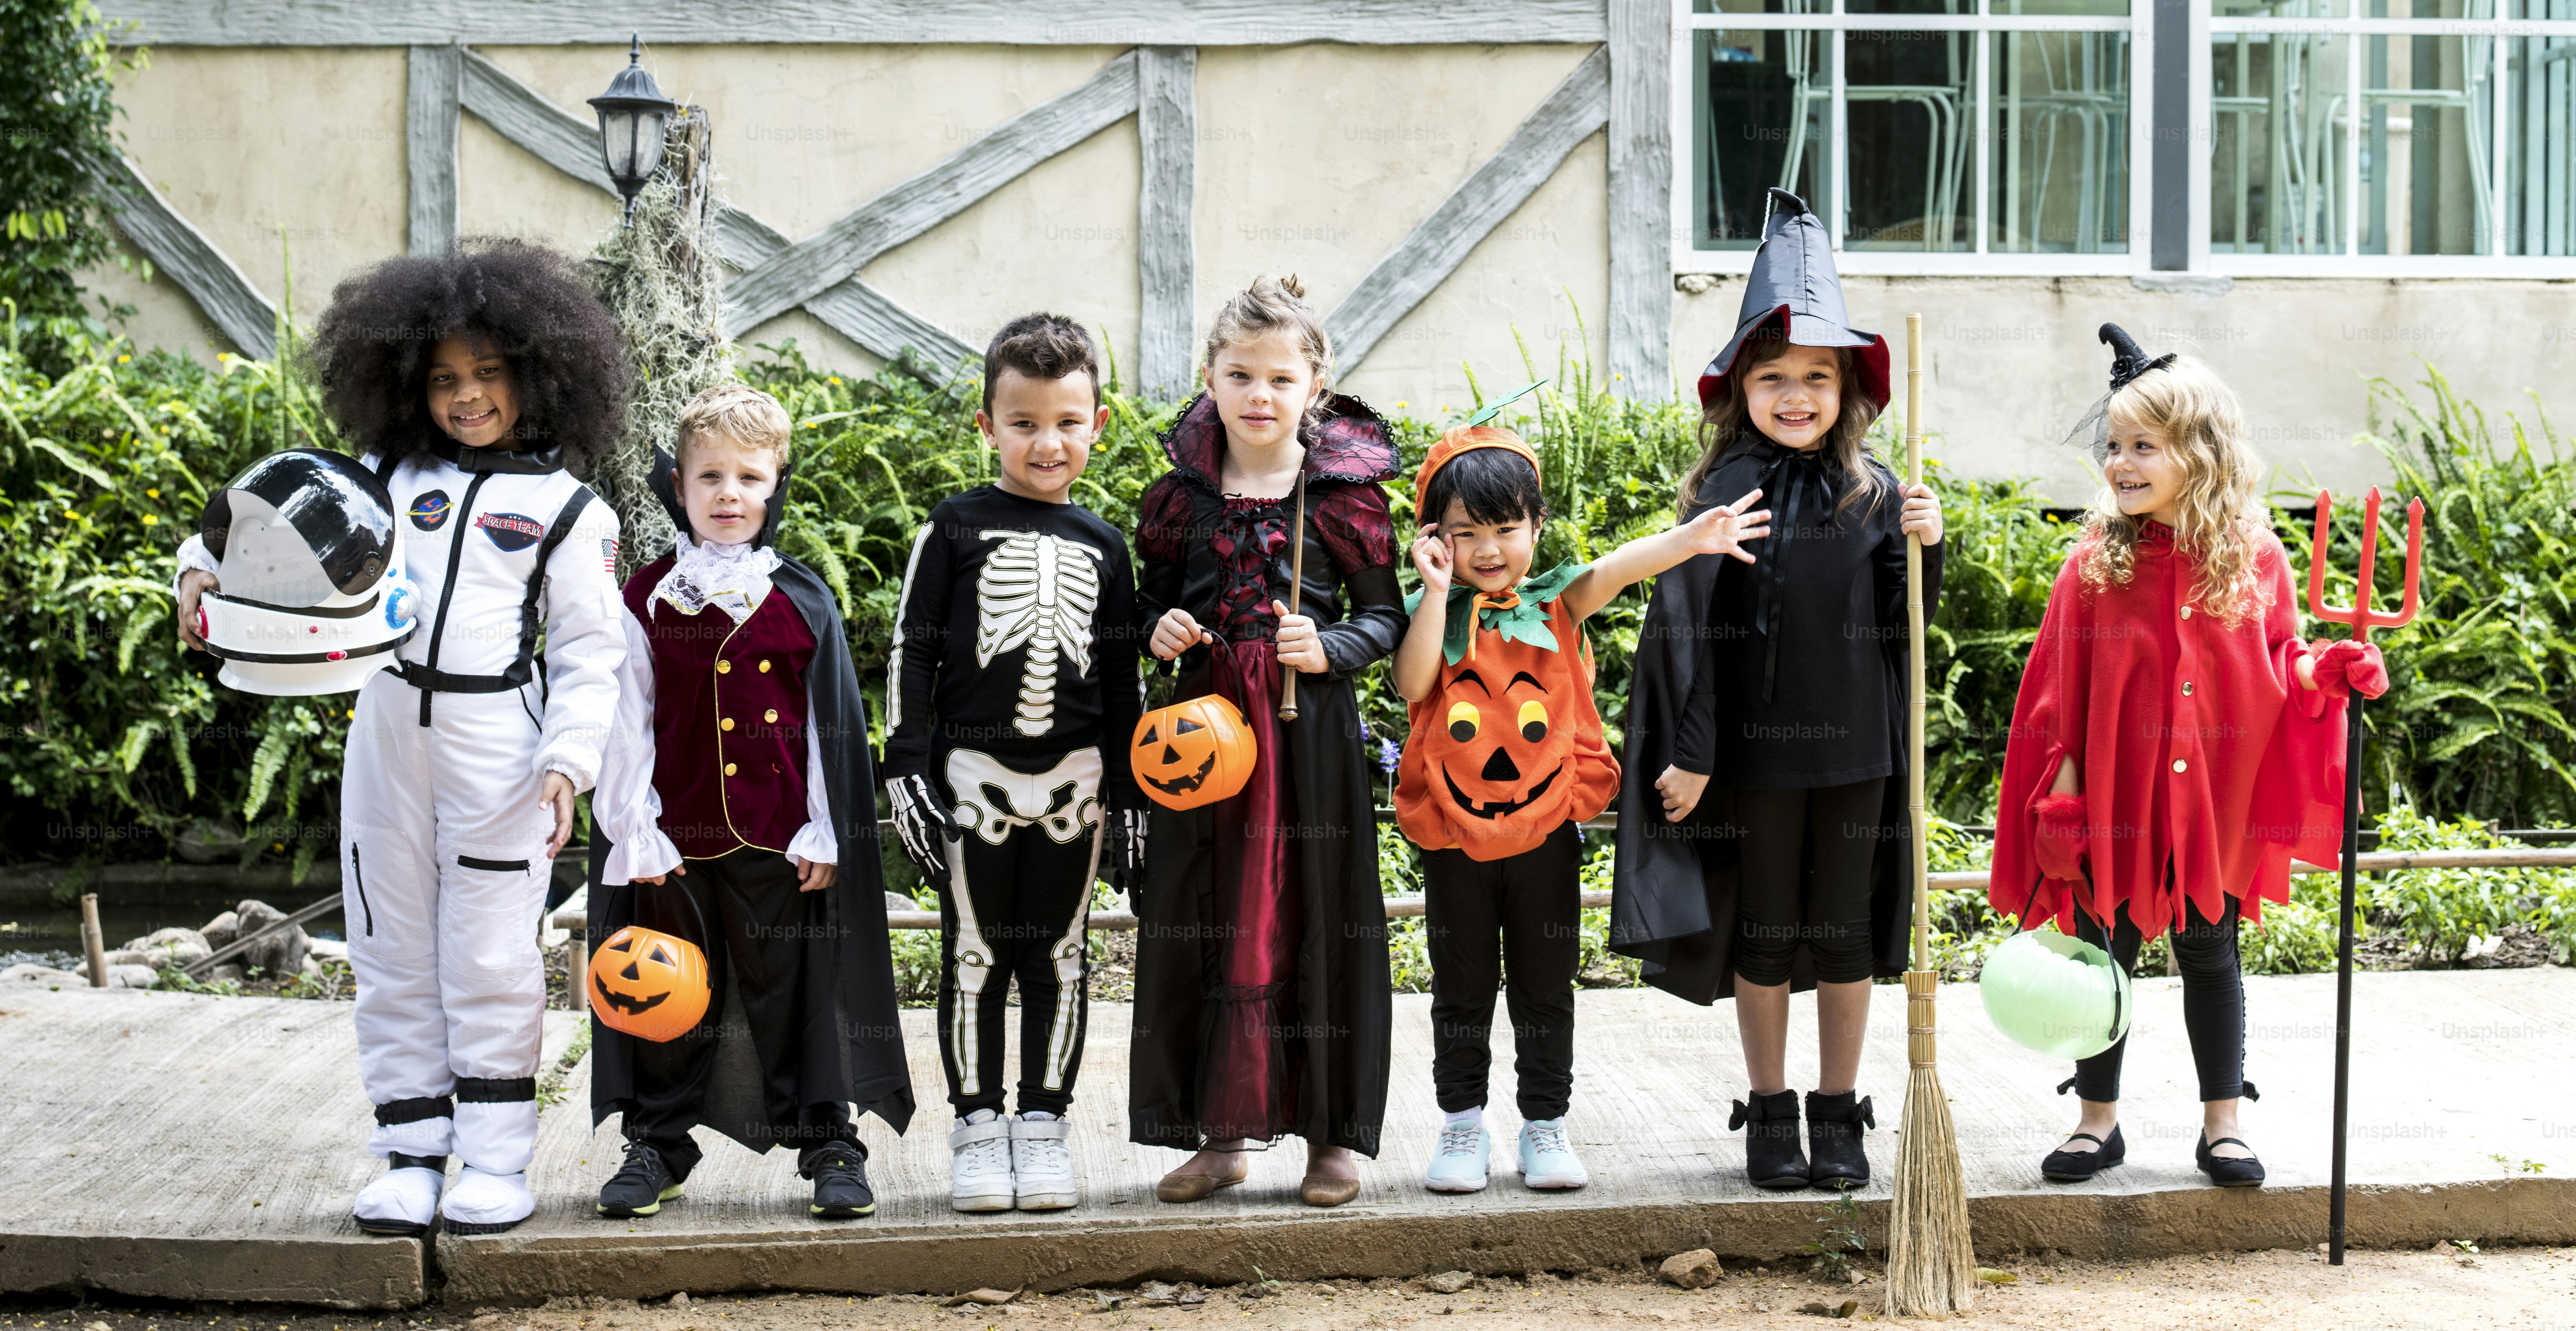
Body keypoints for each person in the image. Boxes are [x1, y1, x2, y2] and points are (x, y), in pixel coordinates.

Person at [174, 239, 629, 1236]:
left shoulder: (566, 509)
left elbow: (593, 654)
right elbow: (251, 529)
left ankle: (497, 1158)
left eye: (488, 375)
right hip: (384, 727)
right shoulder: (375, 474)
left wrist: (567, 764)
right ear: (404, 384)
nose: (466, 397)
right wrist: (197, 573)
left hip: (498, 744)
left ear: (539, 373)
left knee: (492, 953)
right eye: (443, 379)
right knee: (389, 945)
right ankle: (410, 1149)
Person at [1988, 326, 2384, 1188]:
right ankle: (2097, 1121)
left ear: (2199, 453)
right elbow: (2058, 691)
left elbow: (2277, 664)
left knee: (2211, 949)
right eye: (2113, 447)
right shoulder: (2092, 564)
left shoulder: (2254, 560)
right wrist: (2060, 796)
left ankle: (2222, 1124)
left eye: (2142, 446)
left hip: (2210, 800)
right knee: (2101, 958)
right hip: (2114, 803)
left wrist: (2328, 669)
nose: (2120, 462)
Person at [1609, 189, 1945, 1192]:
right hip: (1753, 756)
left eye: (1815, 376)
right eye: (1773, 377)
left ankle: (1837, 1109)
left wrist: (1928, 545)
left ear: (1847, 387)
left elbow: (1903, 626)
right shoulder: (1724, 493)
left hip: (1855, 751)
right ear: (1738, 389)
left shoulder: (1877, 490)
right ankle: (1767, 1109)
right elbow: (1693, 628)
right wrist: (1696, 748)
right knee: (1763, 928)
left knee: (1840, 928)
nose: (1795, 394)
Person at [1392, 421, 1768, 1194]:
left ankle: (1544, 1124)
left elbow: (1617, 568)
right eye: (1466, 534)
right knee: (1460, 988)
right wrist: (1435, 590)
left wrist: (1689, 539)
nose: (1489, 549)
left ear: (1536, 527)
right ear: (1436, 539)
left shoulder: (1558, 605)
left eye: (1506, 529)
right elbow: (1412, 683)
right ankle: (1461, 1124)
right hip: (1454, 839)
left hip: (1544, 834)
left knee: (1544, 983)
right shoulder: (1434, 610)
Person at [584, 382, 914, 1221]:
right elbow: (628, 721)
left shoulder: (800, 597)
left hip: (778, 839)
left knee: (795, 988)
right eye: (710, 478)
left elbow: (824, 727)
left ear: (776, 485)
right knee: (662, 986)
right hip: (673, 841)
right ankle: (658, 1140)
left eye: (749, 478)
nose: (729, 494)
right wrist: (636, 828)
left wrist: (821, 825)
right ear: (679, 487)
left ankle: (828, 1140)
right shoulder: (648, 596)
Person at [1128, 274, 1406, 1209]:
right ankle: (1220, 1132)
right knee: (1209, 917)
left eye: (1279, 378)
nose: (1258, 394)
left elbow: (1385, 621)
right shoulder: (1180, 496)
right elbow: (1140, 602)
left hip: (1307, 739)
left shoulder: (1342, 498)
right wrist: (1156, 627)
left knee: (1314, 916)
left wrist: (1326, 646)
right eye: (1239, 373)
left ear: (1314, 384)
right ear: (1208, 376)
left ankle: (1331, 1137)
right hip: (1201, 738)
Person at [879, 314, 1145, 1213]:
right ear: (987, 425)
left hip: (1076, 780)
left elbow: (1119, 675)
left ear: (1096, 426)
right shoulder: (951, 529)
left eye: (1068, 421)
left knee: (1060, 955)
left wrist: (1135, 784)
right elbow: (909, 650)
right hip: (971, 778)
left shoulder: (1105, 545)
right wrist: (903, 767)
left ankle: (1043, 1122)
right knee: (974, 954)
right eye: (1024, 422)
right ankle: (975, 1126)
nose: (1047, 441)